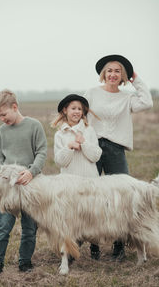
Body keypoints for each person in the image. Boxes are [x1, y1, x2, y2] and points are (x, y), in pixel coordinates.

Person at [84, 54, 153, 261]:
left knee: (123, 197)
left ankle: (119, 245)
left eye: (117, 71)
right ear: (103, 74)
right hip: (92, 147)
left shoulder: (127, 97)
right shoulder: (91, 93)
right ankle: (93, 244)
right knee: (90, 196)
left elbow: (147, 102)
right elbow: (81, 117)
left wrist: (135, 77)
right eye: (109, 70)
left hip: (115, 149)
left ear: (123, 75)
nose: (113, 74)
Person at [0, 89, 47, 277]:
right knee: (3, 228)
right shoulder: (1, 132)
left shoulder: (34, 126)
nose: (2, 119)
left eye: (4, 114)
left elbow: (42, 152)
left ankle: (25, 263)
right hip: (7, 188)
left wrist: (31, 171)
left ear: (15, 107)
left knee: (29, 229)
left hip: (29, 185)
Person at [51, 94, 102, 260]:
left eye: (80, 109)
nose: (77, 112)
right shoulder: (60, 135)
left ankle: (95, 244)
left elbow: (96, 156)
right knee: (72, 216)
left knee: (91, 214)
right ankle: (73, 246)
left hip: (89, 181)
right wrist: (70, 146)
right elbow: (60, 161)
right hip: (69, 184)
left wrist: (84, 143)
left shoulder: (89, 131)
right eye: (73, 108)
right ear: (65, 110)